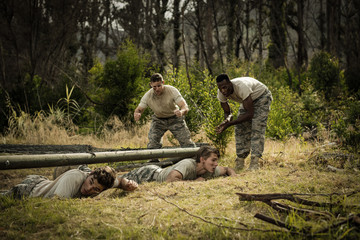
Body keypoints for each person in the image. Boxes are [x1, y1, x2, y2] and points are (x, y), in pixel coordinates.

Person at [215, 74, 272, 171]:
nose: (223, 91)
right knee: (240, 128)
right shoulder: (221, 93)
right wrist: (226, 121)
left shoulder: (242, 87)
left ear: (230, 83)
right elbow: (227, 112)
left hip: (262, 96)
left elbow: (250, 114)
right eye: (220, 88)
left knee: (257, 128)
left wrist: (230, 124)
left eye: (225, 87)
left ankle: (255, 162)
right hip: (247, 100)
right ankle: (240, 161)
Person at [134, 73, 195, 150]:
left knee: (187, 142)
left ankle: (192, 159)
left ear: (163, 82)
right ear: (151, 85)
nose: (157, 89)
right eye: (154, 87)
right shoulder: (148, 95)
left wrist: (181, 112)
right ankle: (153, 160)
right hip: (158, 120)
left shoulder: (172, 90)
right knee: (153, 144)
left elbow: (185, 106)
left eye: (159, 86)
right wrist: (137, 114)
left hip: (174, 118)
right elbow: (139, 109)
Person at [3, 165, 138, 199]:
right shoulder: (74, 178)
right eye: (90, 182)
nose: (89, 189)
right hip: (30, 190)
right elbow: (56, 205)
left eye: (96, 189)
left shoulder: (103, 183)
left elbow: (119, 182)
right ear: (90, 173)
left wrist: (127, 184)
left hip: (45, 183)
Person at [120, 145, 237, 184]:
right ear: (202, 159)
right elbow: (170, 180)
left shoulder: (211, 169)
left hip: (154, 174)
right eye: (213, 160)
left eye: (216, 161)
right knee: (117, 181)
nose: (216, 164)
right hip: (149, 174)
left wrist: (234, 177)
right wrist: (194, 183)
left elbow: (227, 169)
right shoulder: (187, 164)